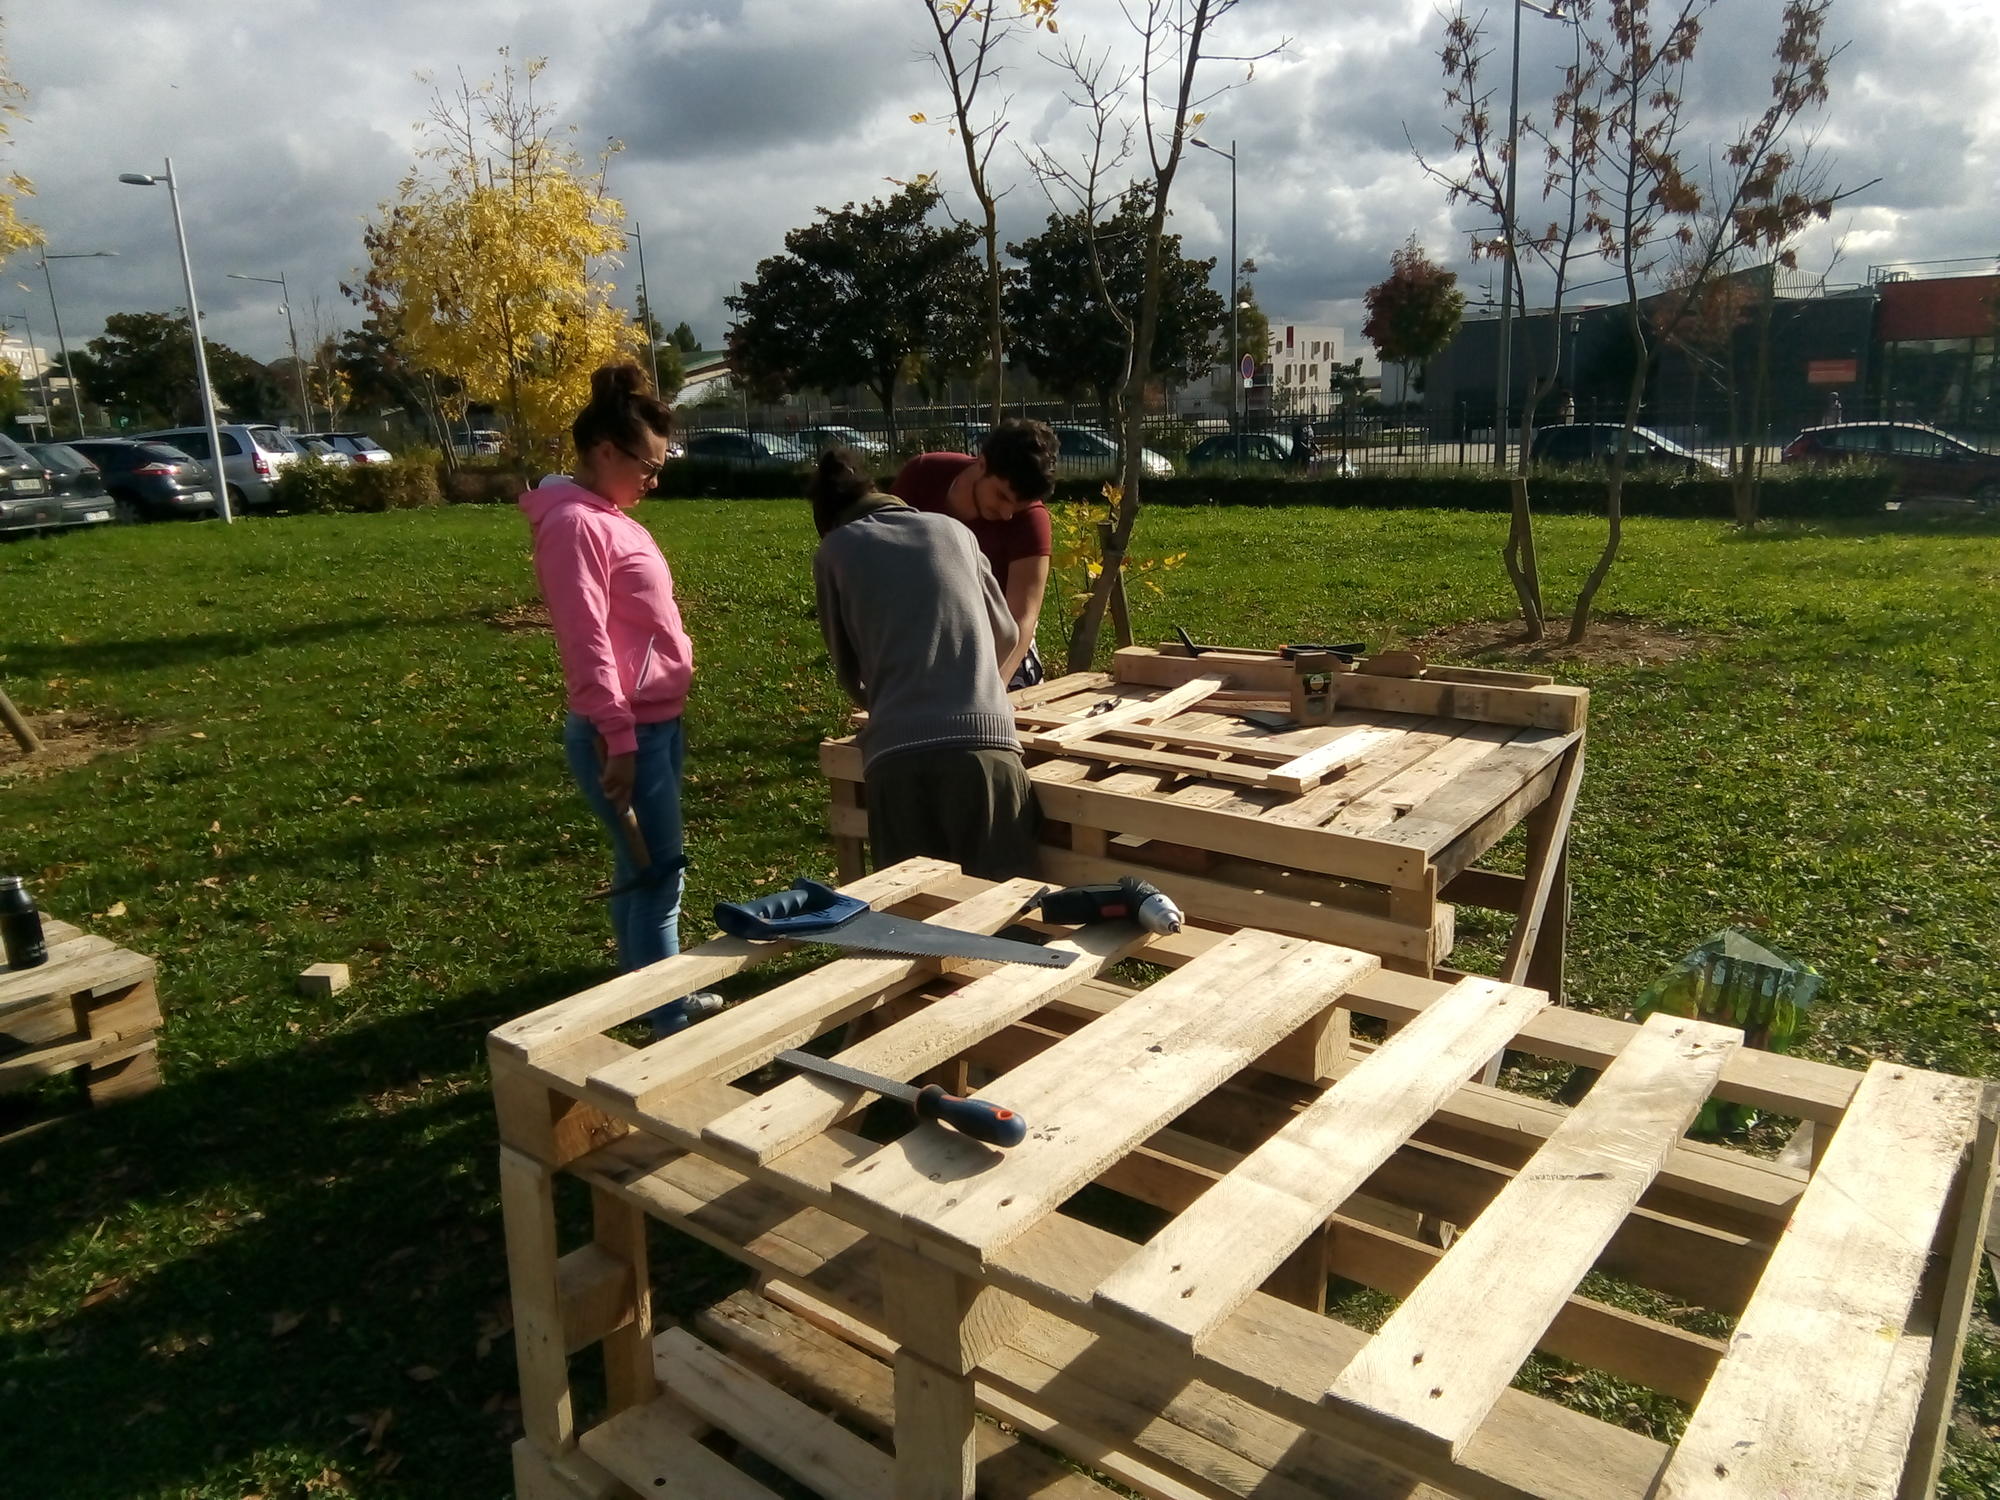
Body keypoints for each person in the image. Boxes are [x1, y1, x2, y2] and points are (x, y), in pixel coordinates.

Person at [520, 362, 719, 1035]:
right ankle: (669, 1022)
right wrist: (619, 738)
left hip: (655, 723)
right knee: (662, 877)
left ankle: (650, 1001)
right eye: (647, 464)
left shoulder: (604, 514)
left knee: (639, 872)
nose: (654, 480)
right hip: (624, 732)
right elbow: (586, 643)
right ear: (604, 451)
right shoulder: (575, 525)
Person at [811, 447, 1040, 880]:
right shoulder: (955, 532)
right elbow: (1009, 633)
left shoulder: (834, 551)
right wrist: (977, 683)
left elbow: (847, 667)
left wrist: (884, 704)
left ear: (829, 519)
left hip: (900, 762)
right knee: (1007, 921)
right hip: (988, 751)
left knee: (914, 922)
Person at [889, 418, 1059, 691]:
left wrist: (992, 692)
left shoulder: (1031, 521)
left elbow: (1022, 620)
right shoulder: (922, 476)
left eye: (1018, 506)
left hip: (998, 642)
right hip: (920, 627)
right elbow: (881, 554)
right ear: (982, 464)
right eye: (1002, 497)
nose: (1007, 514)